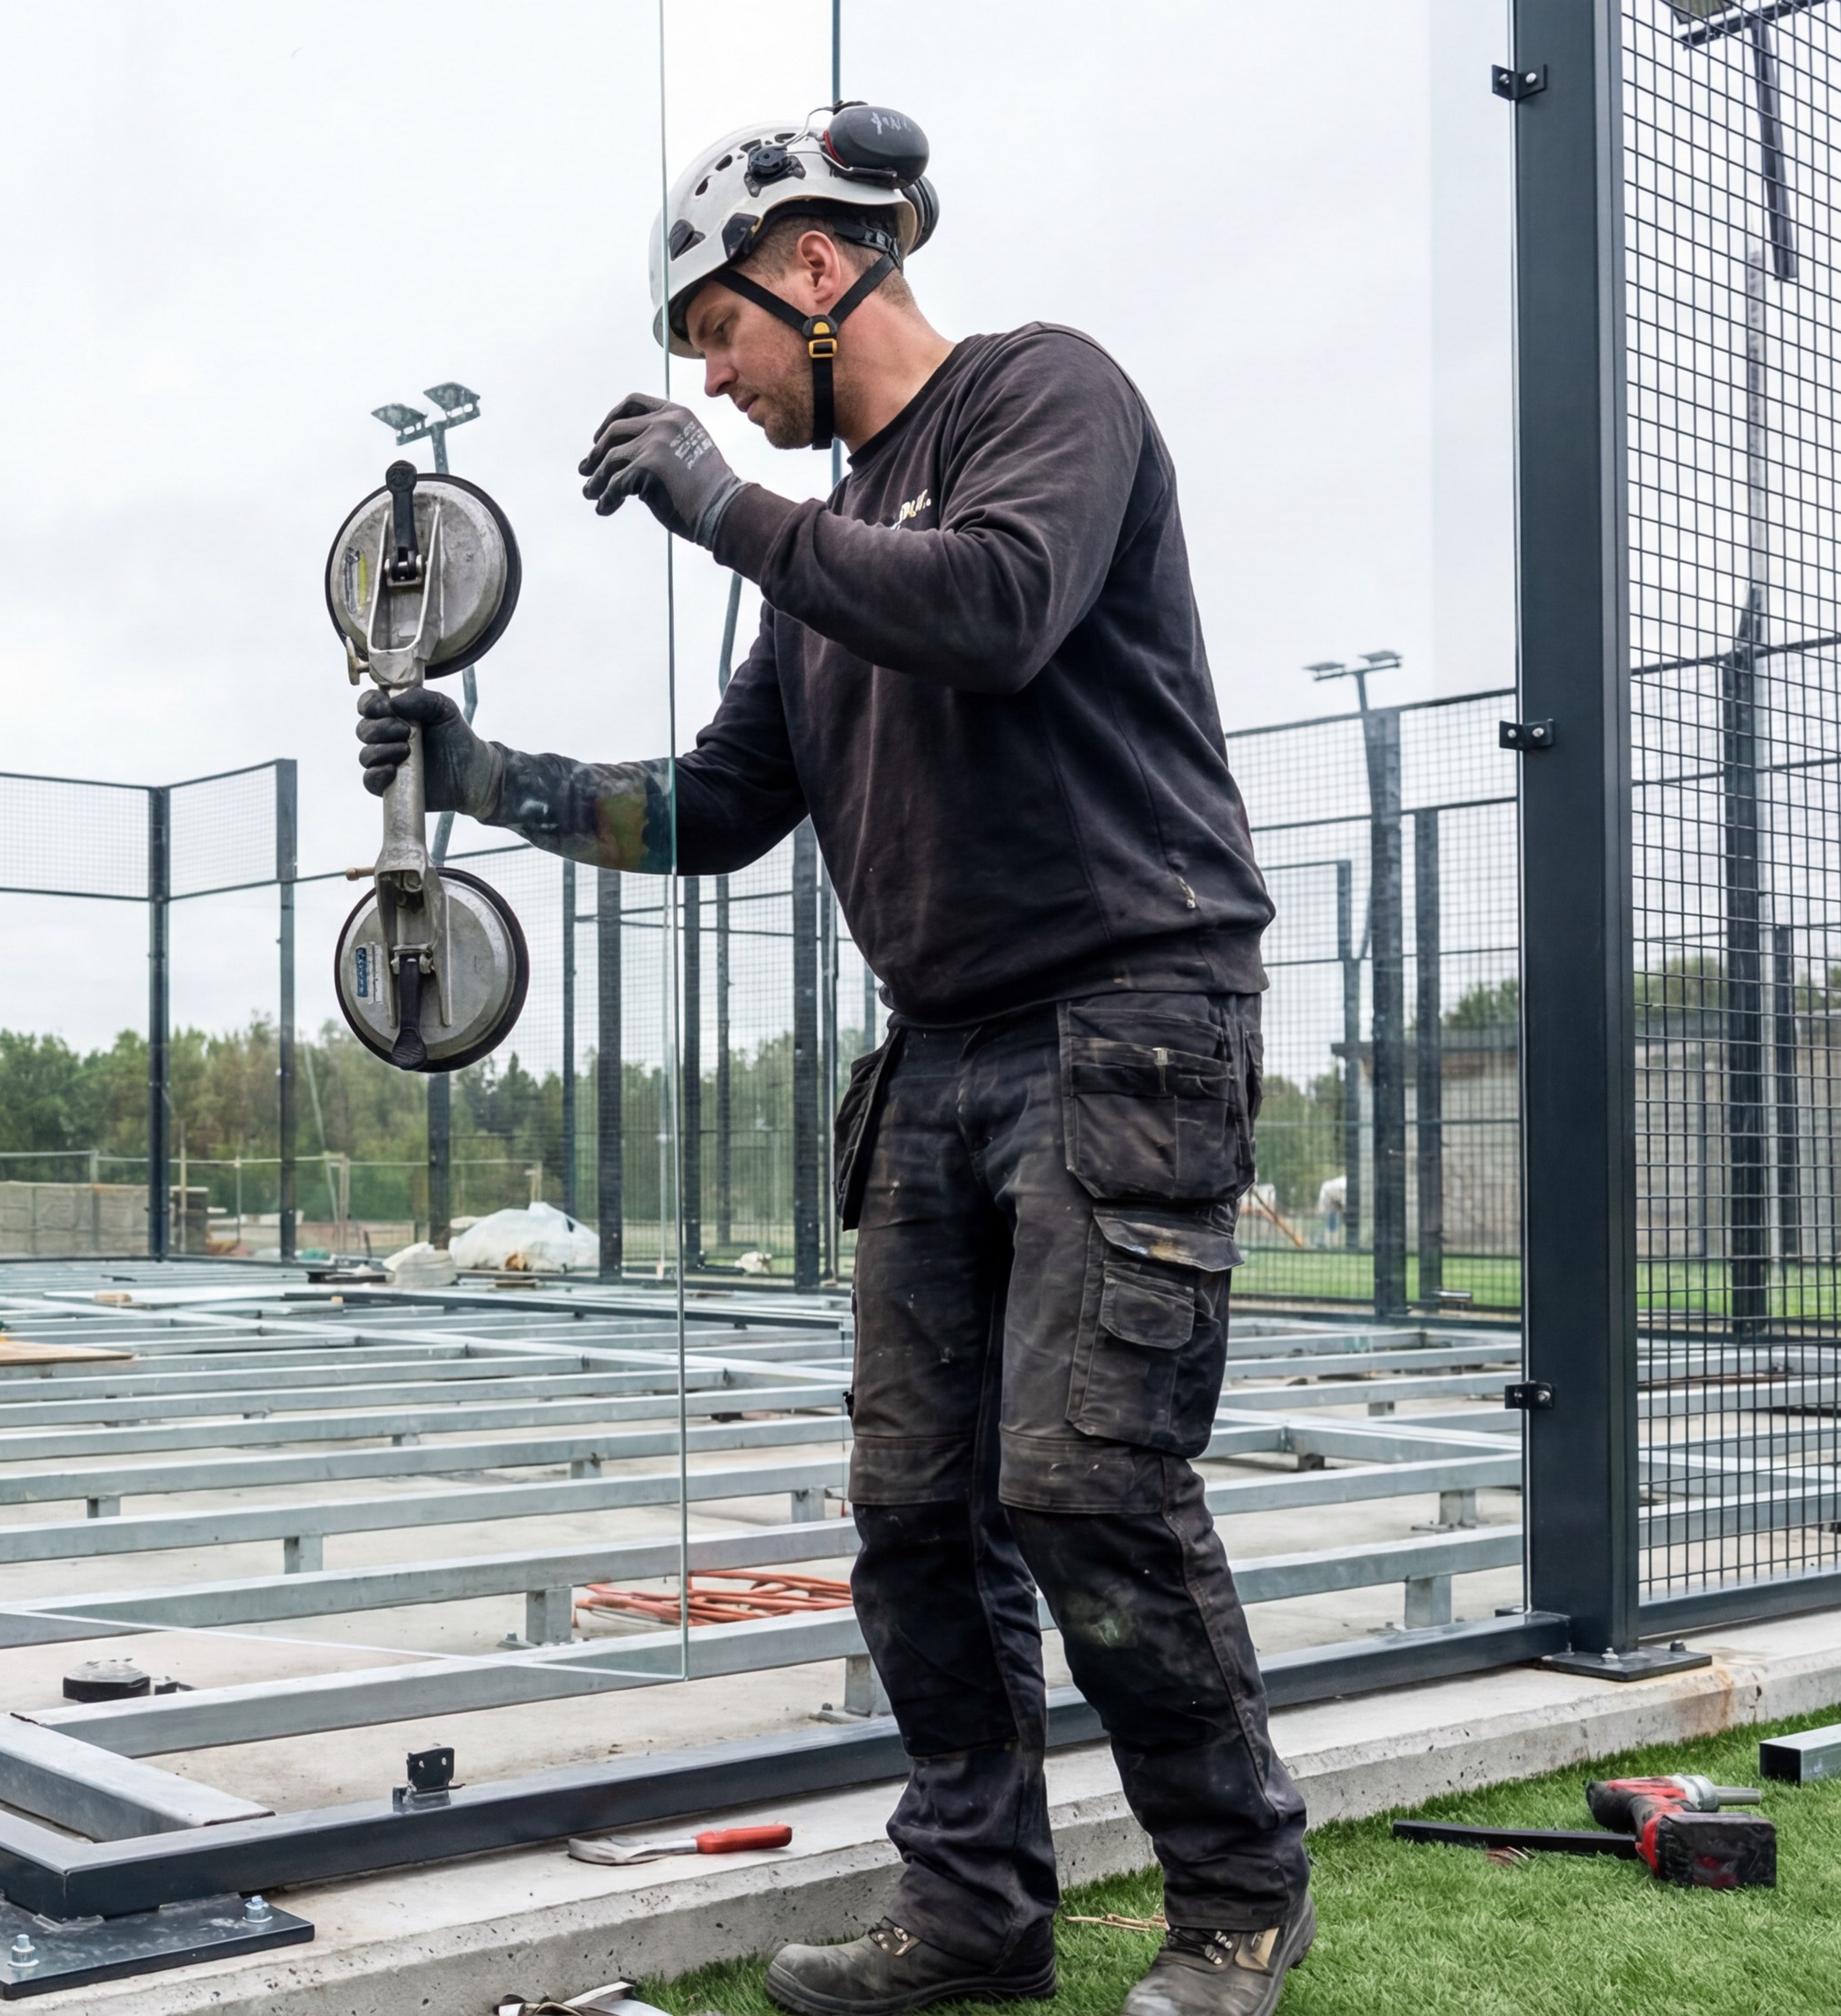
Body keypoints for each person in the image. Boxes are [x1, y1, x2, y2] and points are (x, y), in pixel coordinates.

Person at [359, 106, 1308, 2016]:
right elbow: (714, 811)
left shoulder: (1044, 395)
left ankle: (1231, 1903)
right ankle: (969, 1915)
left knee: (1085, 1483)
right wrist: (485, 778)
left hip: (1125, 1021)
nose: (704, 377)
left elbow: (996, 609)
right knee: (911, 1510)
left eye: (709, 330)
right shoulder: (809, 562)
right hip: (937, 1049)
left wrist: (718, 500)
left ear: (814, 265)